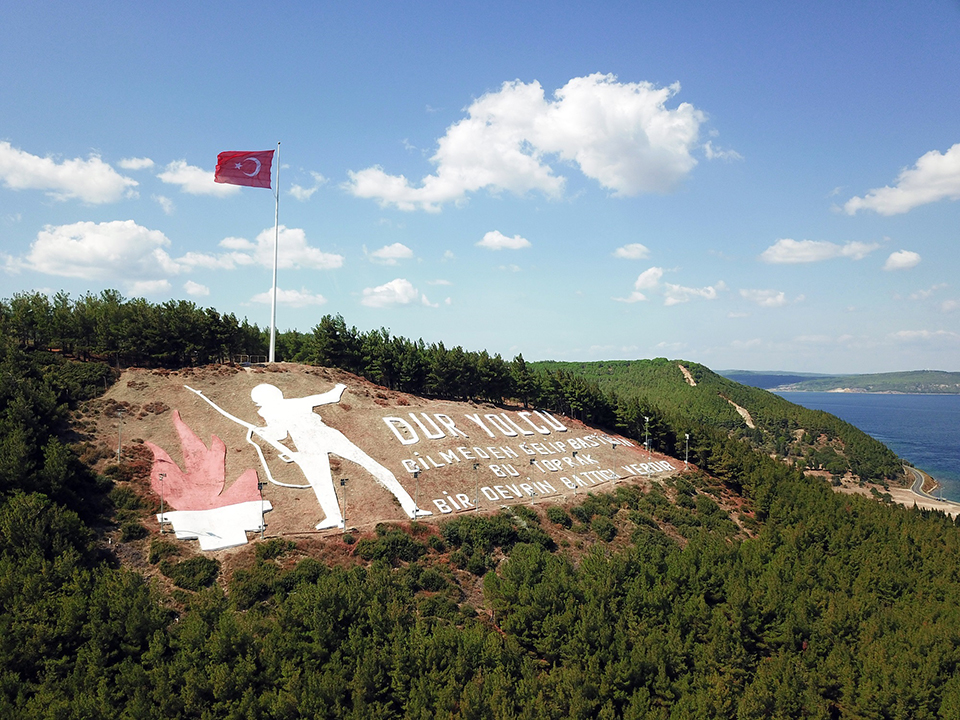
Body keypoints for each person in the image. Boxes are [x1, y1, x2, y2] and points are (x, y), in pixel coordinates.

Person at [250, 382, 429, 529]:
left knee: (323, 482)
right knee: (364, 467)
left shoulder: (267, 411)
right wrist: (339, 386)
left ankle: (335, 517)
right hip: (320, 438)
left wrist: (262, 431)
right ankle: (409, 507)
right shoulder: (297, 402)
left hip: (311, 442)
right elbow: (333, 397)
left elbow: (280, 434)